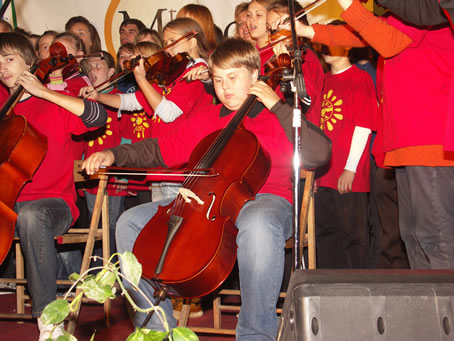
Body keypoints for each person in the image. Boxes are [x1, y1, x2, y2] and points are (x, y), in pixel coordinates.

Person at [82, 37, 331, 341]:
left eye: (233, 77)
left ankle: (255, 335)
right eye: (218, 79)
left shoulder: (278, 114)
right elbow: (161, 148)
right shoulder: (208, 118)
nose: (225, 88)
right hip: (208, 204)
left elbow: (320, 154)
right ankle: (154, 329)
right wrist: (115, 154)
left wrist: (276, 105)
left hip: (268, 200)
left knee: (257, 222)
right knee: (129, 222)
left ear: (255, 75)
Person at [284, 0, 454, 269]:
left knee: (435, 237)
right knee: (413, 236)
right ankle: (430, 307)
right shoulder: (400, 15)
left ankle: (446, 309)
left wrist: (347, 3)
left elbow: (388, 42)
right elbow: (359, 35)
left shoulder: (426, 10)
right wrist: (307, 32)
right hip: (407, 137)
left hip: (428, 134)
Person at [0, 32, 107, 340]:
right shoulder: (6, 113)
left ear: (30, 63)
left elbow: (96, 117)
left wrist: (45, 92)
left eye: (10, 59)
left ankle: (48, 319)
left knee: (32, 215)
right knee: (23, 214)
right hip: (9, 205)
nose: (3, 68)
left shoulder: (53, 101)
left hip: (54, 205)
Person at [314, 39, 378, 268]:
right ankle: (330, 290)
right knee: (325, 234)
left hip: (348, 171)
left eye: (331, 40)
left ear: (348, 45)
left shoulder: (359, 78)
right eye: (322, 42)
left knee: (353, 236)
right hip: (324, 173)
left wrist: (350, 168)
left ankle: (357, 290)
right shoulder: (321, 80)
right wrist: (314, 173)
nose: (326, 47)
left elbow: (364, 126)